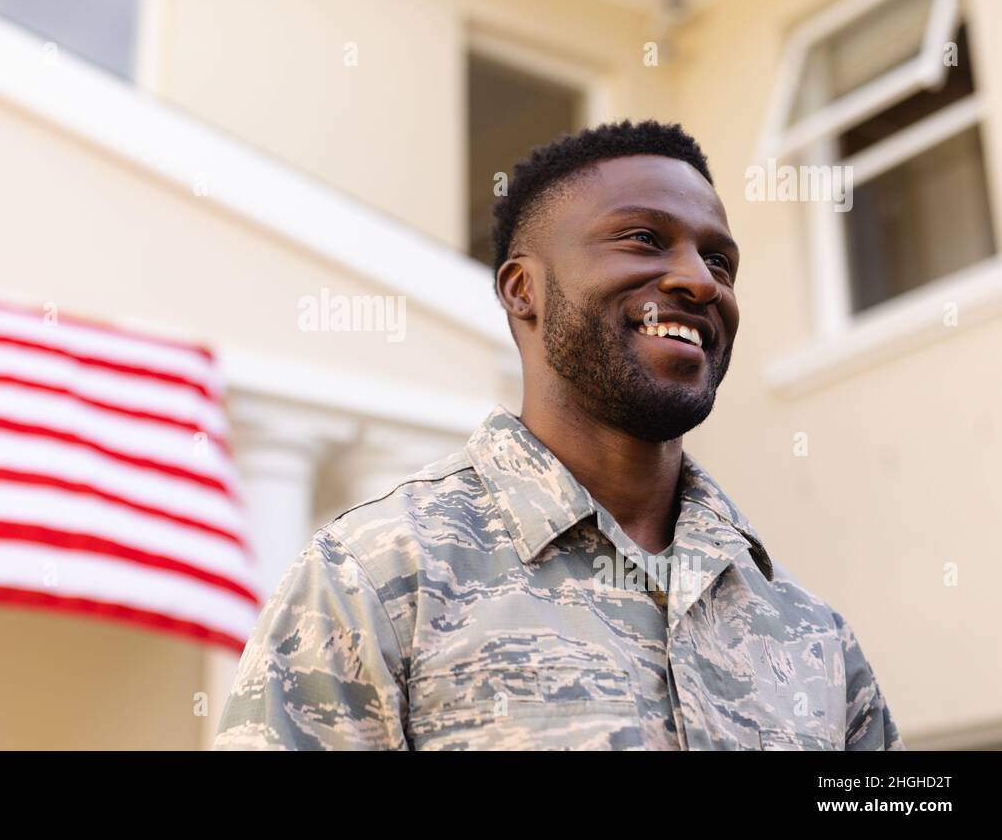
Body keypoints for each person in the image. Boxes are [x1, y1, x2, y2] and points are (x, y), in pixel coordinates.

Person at [213, 119, 904, 750]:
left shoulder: (814, 636)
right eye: (644, 238)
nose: (700, 281)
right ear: (523, 290)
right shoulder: (375, 577)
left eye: (721, 262)